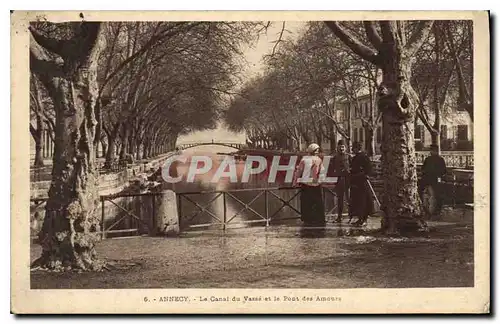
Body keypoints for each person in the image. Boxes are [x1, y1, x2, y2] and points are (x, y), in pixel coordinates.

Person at [293, 143, 325, 226]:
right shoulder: (319, 159)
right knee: (318, 202)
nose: (317, 151)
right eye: (316, 150)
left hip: (306, 183)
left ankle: (307, 219)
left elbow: (298, 171)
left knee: (306, 203)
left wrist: (295, 182)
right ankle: (319, 218)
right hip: (316, 183)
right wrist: (320, 180)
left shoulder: (304, 159)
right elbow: (322, 172)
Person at [349, 141, 374, 226]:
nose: (352, 149)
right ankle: (360, 218)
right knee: (358, 201)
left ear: (357, 148)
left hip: (362, 182)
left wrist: (364, 175)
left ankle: (364, 219)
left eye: (354, 148)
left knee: (363, 201)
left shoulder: (363, 157)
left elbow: (368, 169)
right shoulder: (355, 157)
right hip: (356, 182)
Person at [418, 144, 447, 218]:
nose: (431, 152)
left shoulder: (438, 159)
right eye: (431, 150)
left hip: (432, 179)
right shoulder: (430, 159)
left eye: (433, 150)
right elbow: (423, 169)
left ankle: (434, 210)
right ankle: (428, 209)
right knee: (426, 193)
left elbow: (443, 171)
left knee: (436, 194)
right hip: (429, 180)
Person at [327, 139, 351, 223]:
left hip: (348, 180)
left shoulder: (349, 157)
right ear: (337, 147)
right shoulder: (334, 158)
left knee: (349, 199)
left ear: (345, 148)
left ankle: (351, 216)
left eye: (343, 147)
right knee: (340, 199)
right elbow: (331, 169)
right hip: (339, 180)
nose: (341, 149)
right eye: (340, 147)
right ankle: (339, 217)